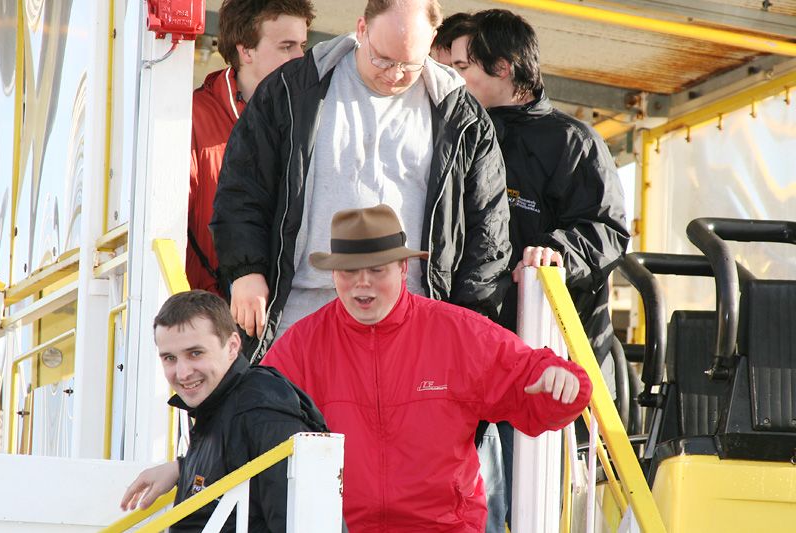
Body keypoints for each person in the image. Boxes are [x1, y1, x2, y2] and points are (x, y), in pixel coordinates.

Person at [209, 0, 511, 360]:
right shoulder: (292, 89)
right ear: (362, 29)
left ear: (432, 41)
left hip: (411, 325)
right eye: (382, 59)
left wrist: (468, 319)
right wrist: (246, 271)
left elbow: (488, 228)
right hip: (300, 316)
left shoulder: (463, 116)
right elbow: (242, 188)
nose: (394, 74)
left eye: (409, 64)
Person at [261, 204, 593, 531]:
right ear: (334, 274)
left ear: (403, 268)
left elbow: (530, 379)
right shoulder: (302, 344)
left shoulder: (456, 332)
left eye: (377, 270)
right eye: (348, 271)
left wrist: (562, 380)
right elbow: (253, 413)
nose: (362, 283)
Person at [449, 9, 631, 529]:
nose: (453, 80)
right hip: (466, 351)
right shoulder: (456, 135)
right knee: (468, 498)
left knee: (534, 502)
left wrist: (554, 251)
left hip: (541, 356)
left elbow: (608, 230)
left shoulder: (573, 142)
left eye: (463, 68)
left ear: (503, 68)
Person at [119, 290, 327, 532]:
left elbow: (303, 522)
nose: (183, 373)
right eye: (169, 358)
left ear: (232, 347)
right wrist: (182, 469)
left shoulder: (262, 412)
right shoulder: (218, 404)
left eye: (195, 353)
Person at [188, 0, 315, 297]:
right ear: (246, 51)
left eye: (302, 46)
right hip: (218, 310)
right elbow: (170, 229)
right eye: (287, 47)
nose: (300, 58)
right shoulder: (191, 119)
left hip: (294, 304)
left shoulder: (314, 117)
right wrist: (211, 307)